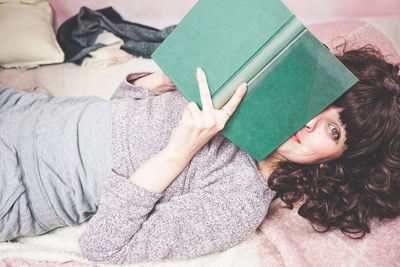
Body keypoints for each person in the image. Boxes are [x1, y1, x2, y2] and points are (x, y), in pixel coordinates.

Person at [0, 46, 399, 264]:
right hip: (25, 109)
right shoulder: (238, 103)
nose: (310, 122)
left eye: (334, 129)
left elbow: (103, 246)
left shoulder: (240, 202)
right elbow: (124, 119)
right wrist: (159, 82)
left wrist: (180, 149)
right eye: (320, 104)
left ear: (336, 159)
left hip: (20, 180)